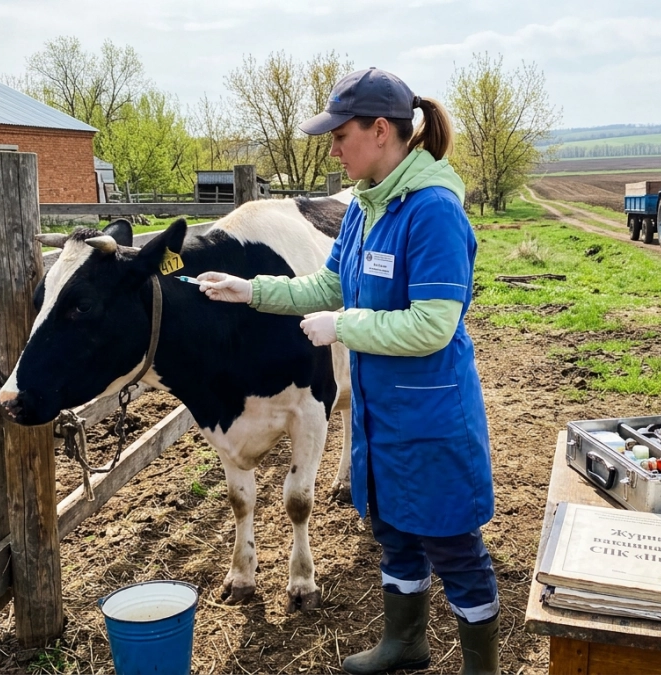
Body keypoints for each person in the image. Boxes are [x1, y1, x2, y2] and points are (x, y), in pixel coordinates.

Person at [198, 67, 499, 675]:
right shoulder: (364, 208)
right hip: (378, 407)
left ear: (380, 130)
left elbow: (433, 325)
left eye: (340, 134)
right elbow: (329, 283)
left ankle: (480, 668)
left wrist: (344, 327)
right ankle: (405, 643)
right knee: (391, 526)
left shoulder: (432, 211)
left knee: (451, 543)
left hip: (431, 412)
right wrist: (249, 290)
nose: (332, 147)